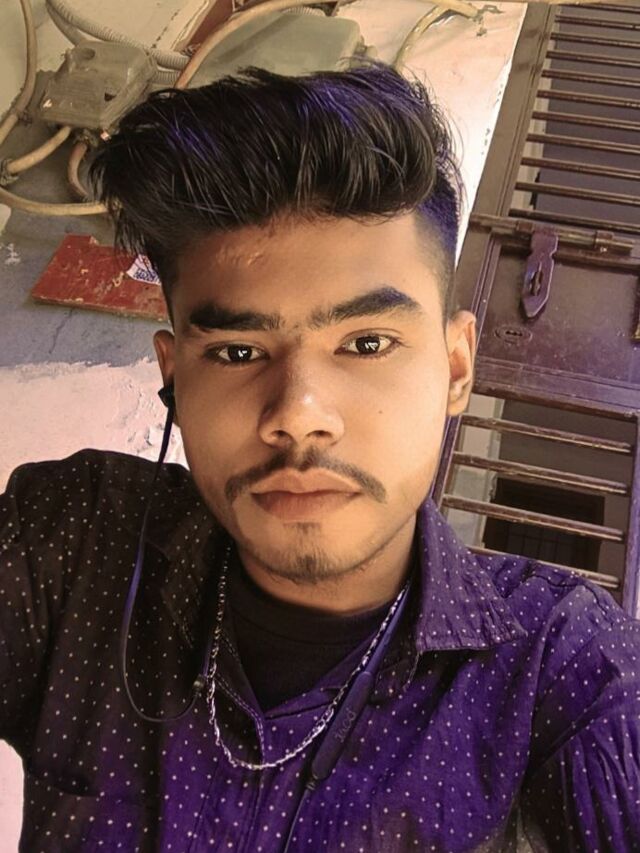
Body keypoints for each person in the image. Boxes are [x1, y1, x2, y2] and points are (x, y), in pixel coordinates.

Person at [1, 62, 639, 853]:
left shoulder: (561, 666)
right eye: (237, 351)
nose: (297, 413)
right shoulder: (73, 540)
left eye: (366, 343)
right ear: (174, 379)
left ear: (456, 367)